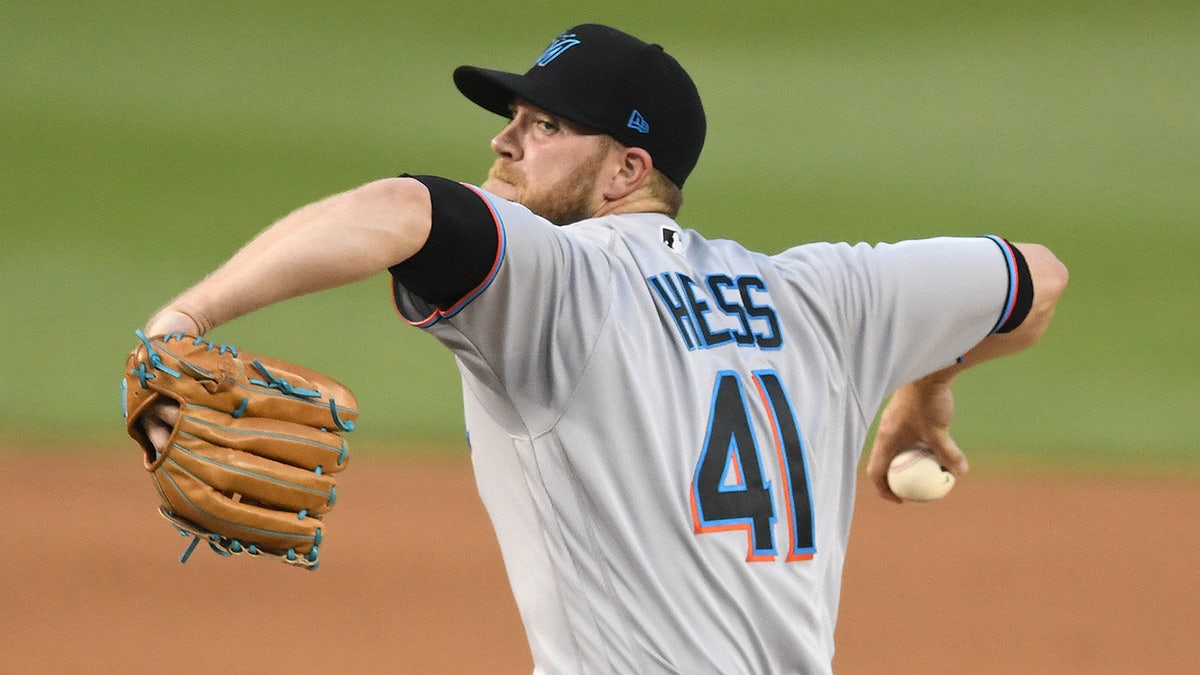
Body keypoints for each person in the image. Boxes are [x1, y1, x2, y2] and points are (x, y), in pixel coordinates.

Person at [138, 23, 1068, 673]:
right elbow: (1034, 280)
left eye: (545, 126)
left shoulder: (561, 280)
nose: (504, 141)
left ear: (627, 171)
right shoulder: (822, 294)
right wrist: (923, 387)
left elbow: (401, 208)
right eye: (513, 117)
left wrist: (180, 321)